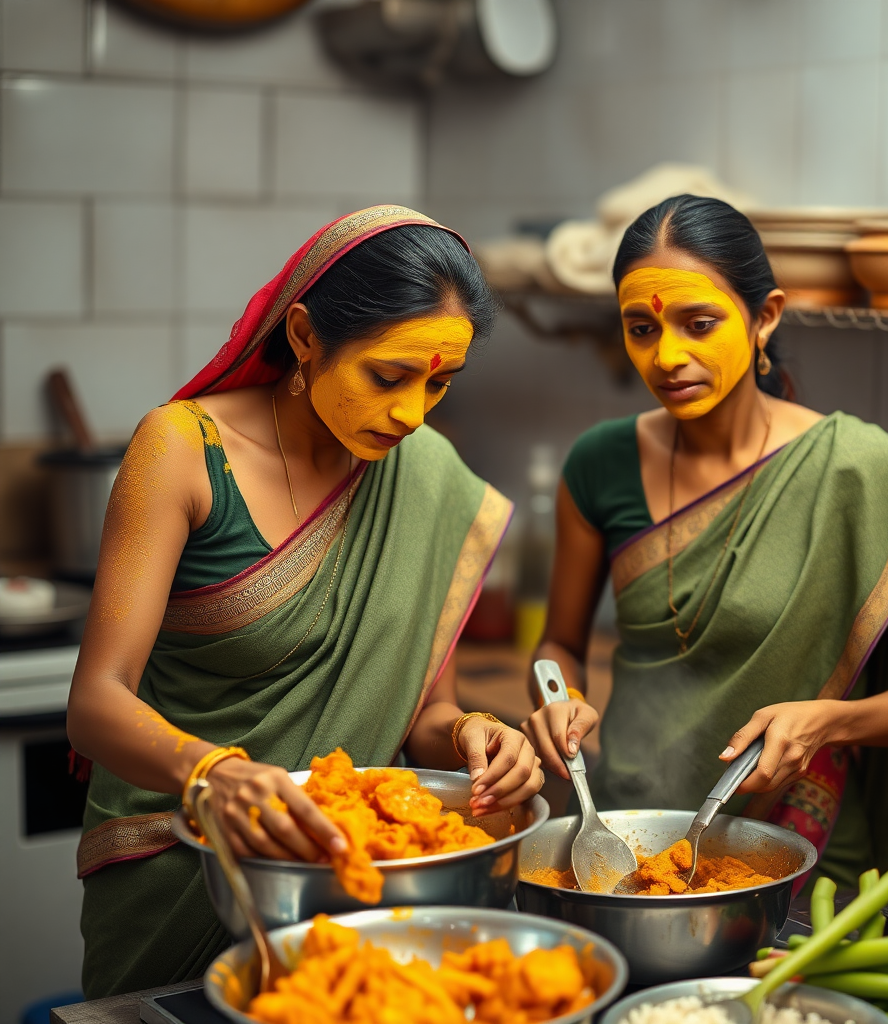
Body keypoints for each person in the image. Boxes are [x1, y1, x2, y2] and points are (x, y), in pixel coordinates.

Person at [67, 205, 544, 997]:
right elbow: (94, 702)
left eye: (440, 382)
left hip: (346, 884)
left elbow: (426, 715)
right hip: (188, 868)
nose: (412, 413)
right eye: (387, 377)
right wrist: (211, 774)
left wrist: (477, 735)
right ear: (304, 336)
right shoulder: (184, 451)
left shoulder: (428, 474)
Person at [522, 195, 888, 886]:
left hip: (797, 841)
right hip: (625, 831)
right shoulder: (599, 464)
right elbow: (560, 643)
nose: (669, 356)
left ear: (764, 317)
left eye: (700, 322)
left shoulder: (856, 471)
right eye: (640, 329)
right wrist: (557, 697)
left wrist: (829, 721)